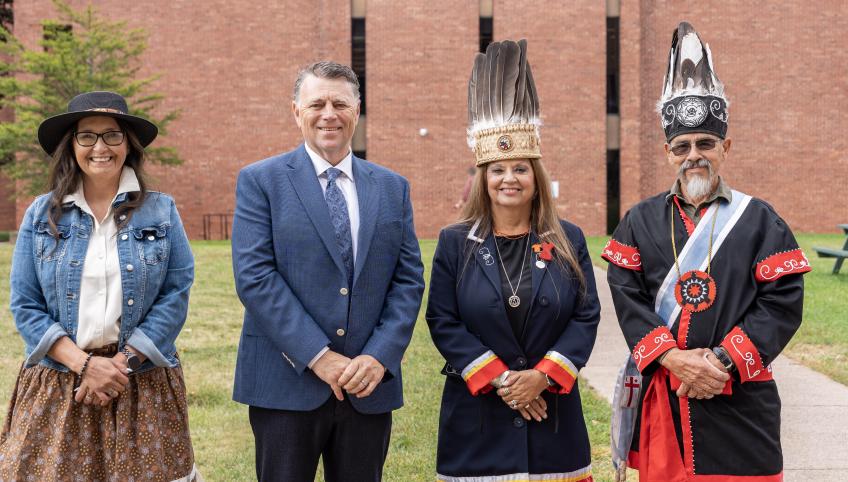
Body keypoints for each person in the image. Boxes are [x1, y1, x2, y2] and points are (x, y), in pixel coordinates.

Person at [603, 22, 811, 481]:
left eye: (705, 144)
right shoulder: (638, 221)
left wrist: (721, 362)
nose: (693, 154)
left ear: (726, 147)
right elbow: (627, 297)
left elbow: (782, 304)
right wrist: (672, 358)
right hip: (668, 395)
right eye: (682, 146)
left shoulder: (761, 220)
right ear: (668, 152)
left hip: (739, 395)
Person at [231, 61, 425, 482]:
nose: (329, 114)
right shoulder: (261, 181)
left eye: (340, 103)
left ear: (357, 110)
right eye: (316, 103)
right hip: (286, 384)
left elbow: (408, 280)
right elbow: (255, 277)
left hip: (368, 386)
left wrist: (379, 356)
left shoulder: (393, 187)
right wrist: (318, 357)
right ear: (296, 112)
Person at [0, 91, 198, 481]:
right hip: (60, 380)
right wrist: (85, 365)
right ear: (71, 146)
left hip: (140, 380)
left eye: (112, 135)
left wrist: (118, 366)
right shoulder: (41, 214)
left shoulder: (161, 210)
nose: (100, 147)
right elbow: (25, 304)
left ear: (128, 145)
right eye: (86, 136)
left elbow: (175, 295)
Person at [426, 40, 600, 482]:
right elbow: (443, 320)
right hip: (477, 418)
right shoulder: (454, 243)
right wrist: (504, 381)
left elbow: (586, 316)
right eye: (498, 169)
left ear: (535, 177)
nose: (509, 179)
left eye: (520, 168)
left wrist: (543, 377)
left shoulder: (568, 239)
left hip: (553, 418)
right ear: (483, 179)